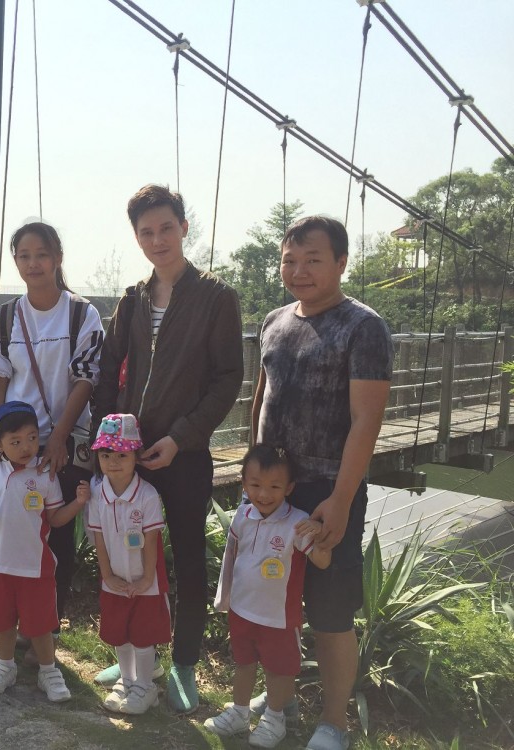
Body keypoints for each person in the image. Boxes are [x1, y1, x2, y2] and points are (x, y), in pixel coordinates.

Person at [91, 184, 244, 712]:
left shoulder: (217, 297)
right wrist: (108, 441)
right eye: (146, 232)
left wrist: (181, 436)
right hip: (130, 455)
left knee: (187, 557)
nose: (158, 240)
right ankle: (140, 656)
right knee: (132, 554)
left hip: (184, 454)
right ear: (137, 238)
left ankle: (183, 663)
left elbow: (227, 378)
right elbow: (109, 370)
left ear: (183, 227)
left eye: (166, 228)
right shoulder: (132, 299)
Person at [251, 215, 393, 750]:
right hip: (273, 492)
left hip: (327, 491)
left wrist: (341, 498)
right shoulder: (273, 321)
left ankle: (335, 722)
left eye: (313, 260)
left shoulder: (364, 326)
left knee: (330, 612)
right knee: (274, 602)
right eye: (290, 260)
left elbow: (366, 421)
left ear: (341, 263)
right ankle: (280, 698)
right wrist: (252, 477)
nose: (299, 271)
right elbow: (261, 400)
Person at [0, 221, 104, 643]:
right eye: (24, 256)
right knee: (14, 532)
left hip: (63, 444)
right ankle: (13, 622)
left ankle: (47, 628)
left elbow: (85, 379)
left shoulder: (82, 314)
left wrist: (58, 437)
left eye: (42, 255)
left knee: (57, 538)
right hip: (16, 445)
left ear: (57, 258)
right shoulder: (4, 318)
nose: (33, 264)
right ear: (15, 261)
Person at [205, 445, 329, 747]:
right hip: (241, 610)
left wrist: (319, 533)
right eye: (256, 485)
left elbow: (322, 562)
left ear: (289, 487)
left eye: (274, 486)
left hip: (278, 617)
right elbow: (232, 558)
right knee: (243, 663)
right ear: (244, 484)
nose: (264, 494)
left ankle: (275, 719)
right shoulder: (242, 516)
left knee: (278, 670)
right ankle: (239, 712)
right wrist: (226, 599)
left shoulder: (297, 522)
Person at [0, 401, 88, 702]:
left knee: (40, 623)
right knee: (2, 622)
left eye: (32, 438)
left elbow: (55, 519)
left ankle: (48, 670)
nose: (26, 447)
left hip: (35, 566)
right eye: (15, 442)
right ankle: (5, 665)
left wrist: (77, 504)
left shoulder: (44, 475)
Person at [84, 413, 170, 716]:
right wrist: (107, 575)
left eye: (122, 455)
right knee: (119, 632)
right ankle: (128, 680)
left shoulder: (147, 495)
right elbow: (98, 537)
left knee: (143, 635)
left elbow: (152, 539)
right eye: (106, 455)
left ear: (136, 455)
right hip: (116, 578)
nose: (113, 462)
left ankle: (145, 686)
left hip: (145, 580)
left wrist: (146, 579)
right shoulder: (98, 494)